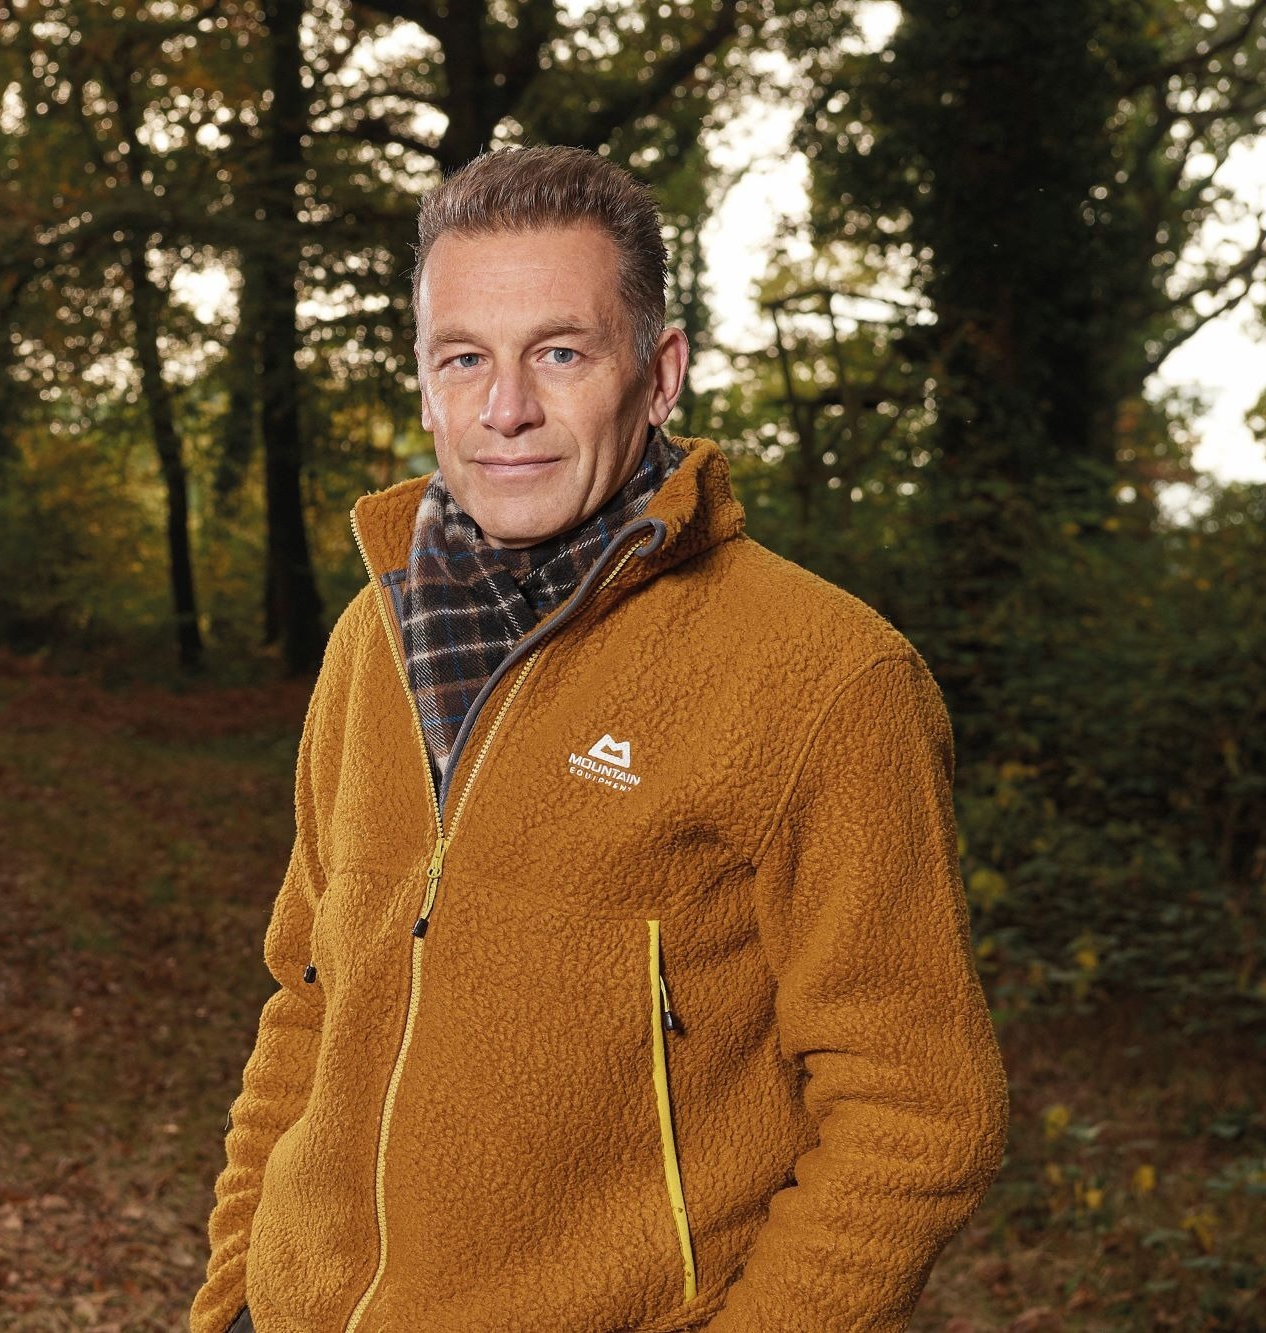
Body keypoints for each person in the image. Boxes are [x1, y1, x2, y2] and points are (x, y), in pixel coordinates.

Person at [187, 145, 1009, 1333]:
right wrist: (230, 1297)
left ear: (657, 372)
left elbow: (920, 1108)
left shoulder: (826, 677)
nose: (503, 407)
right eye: (460, 358)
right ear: (422, 384)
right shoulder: (368, 640)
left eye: (558, 353)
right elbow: (308, 999)